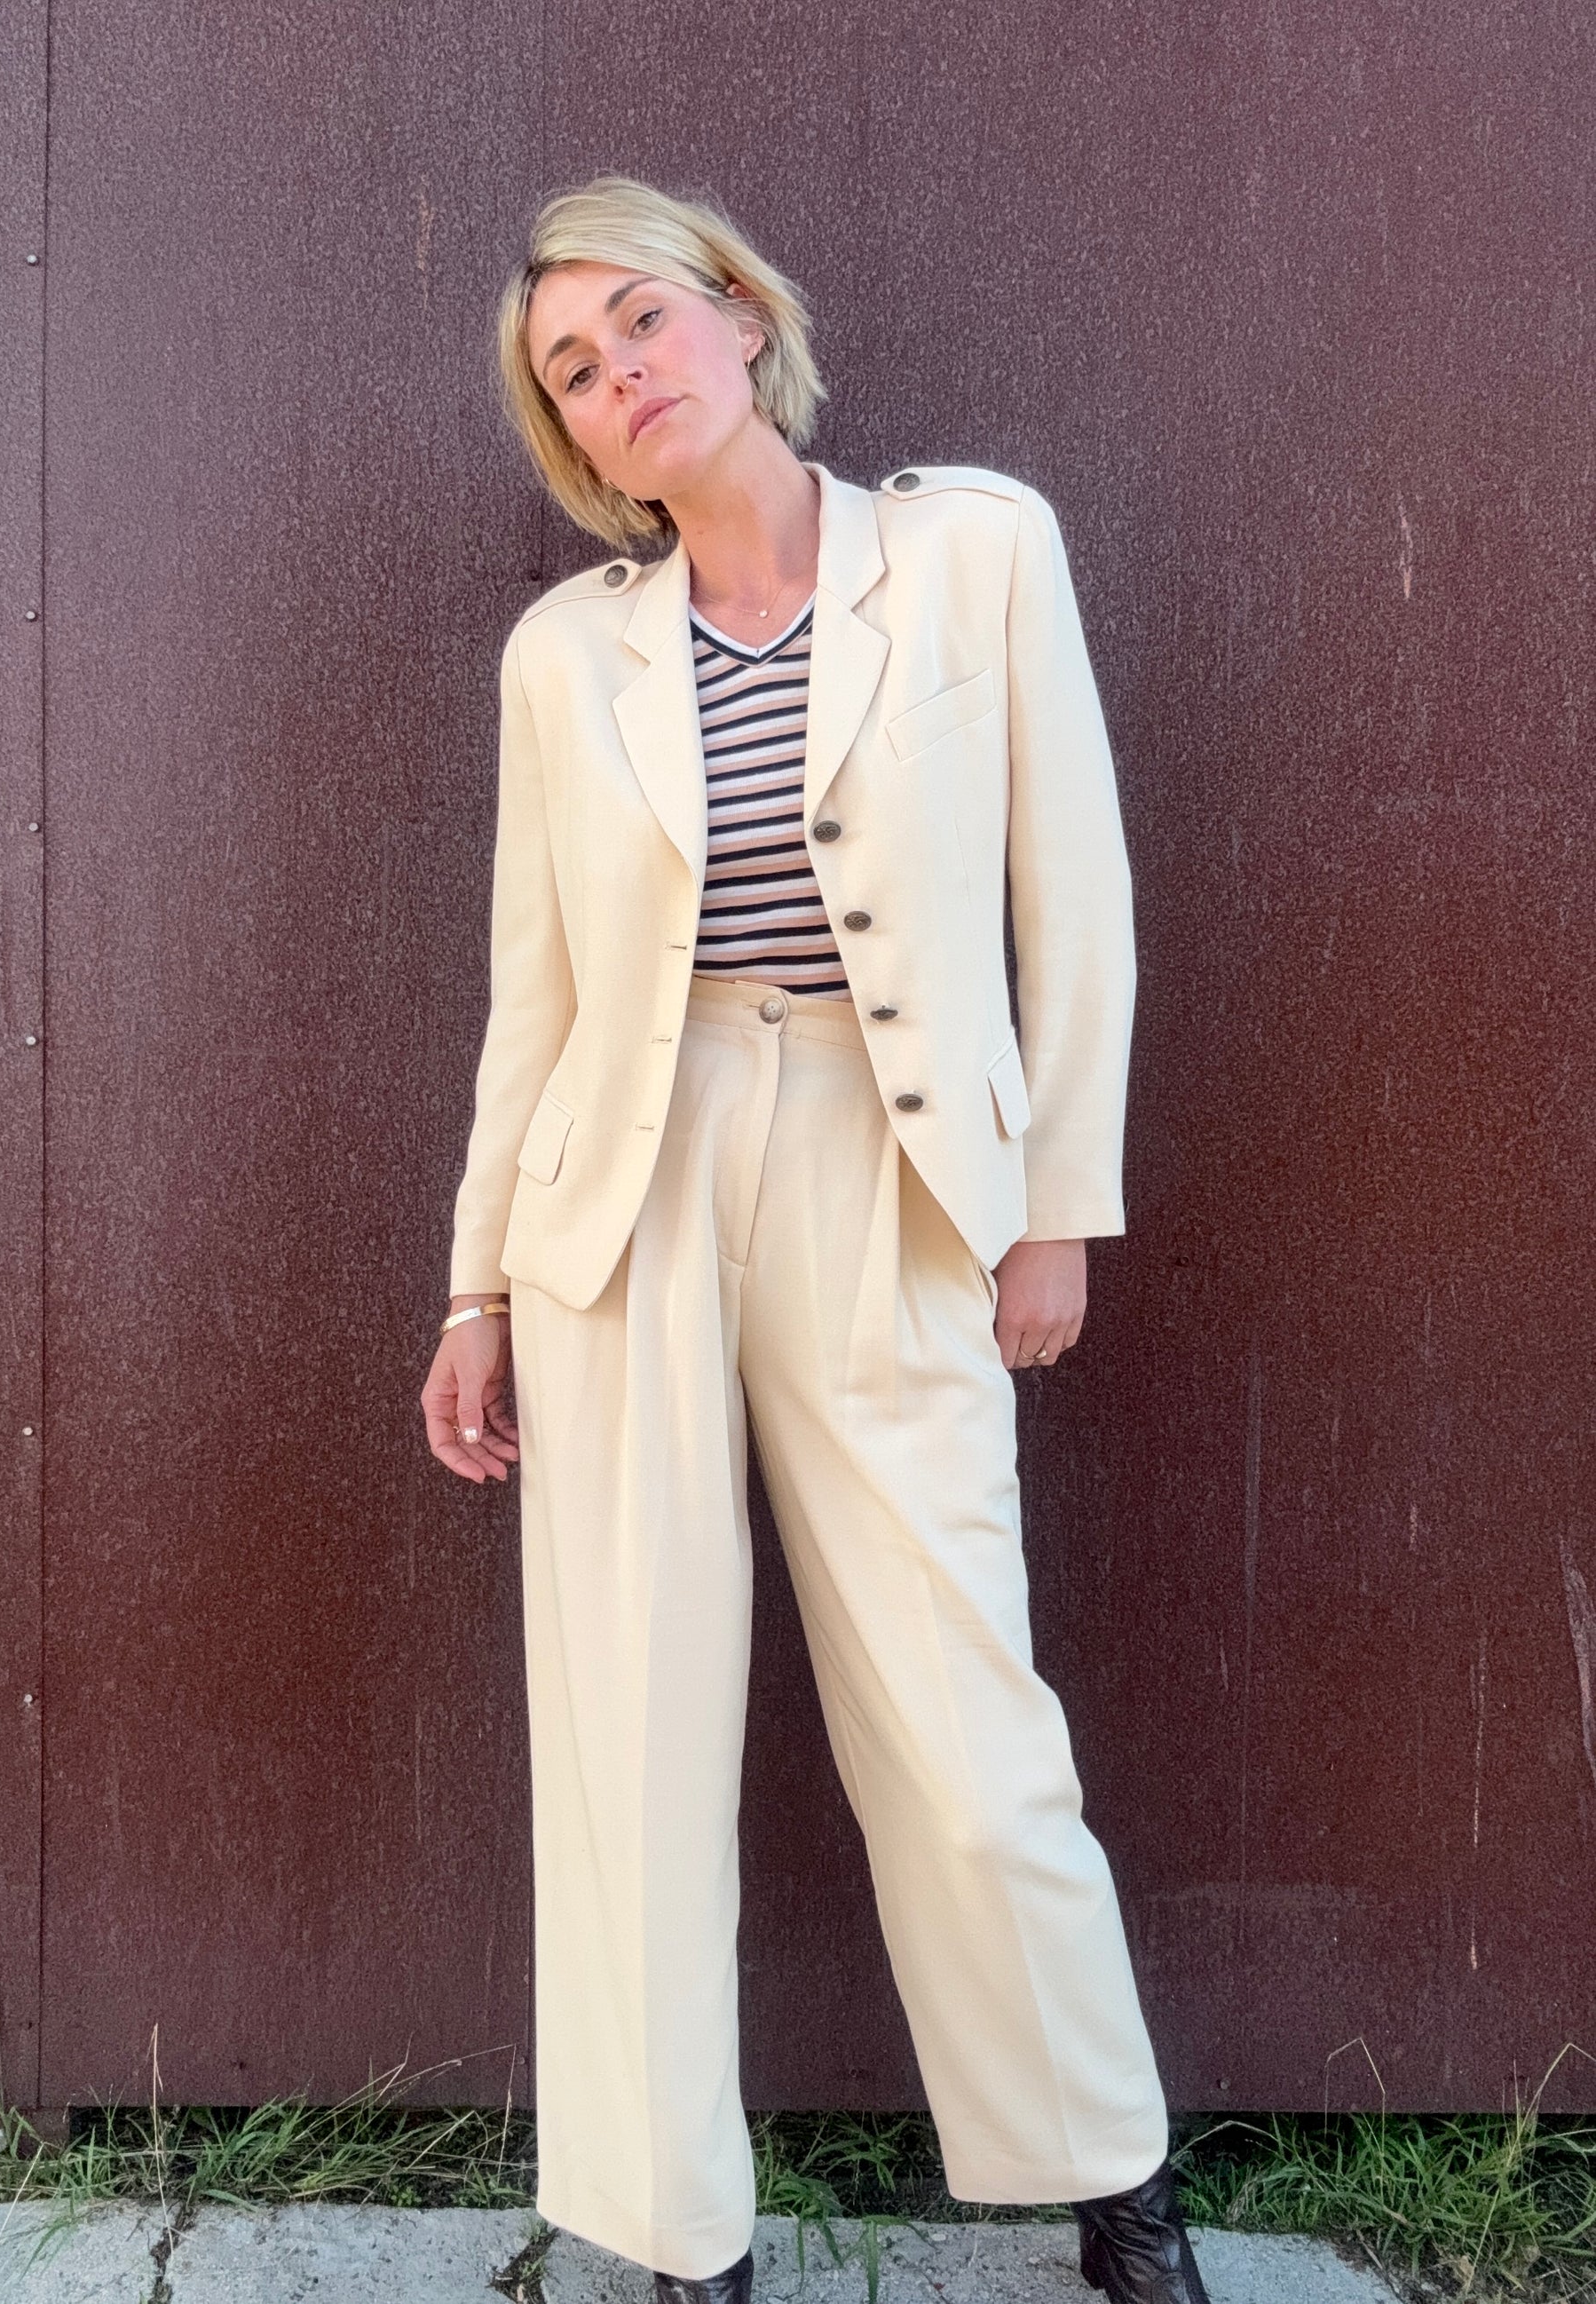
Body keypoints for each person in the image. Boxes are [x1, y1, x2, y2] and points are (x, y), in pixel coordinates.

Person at [420, 174, 1210, 2304]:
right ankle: (683, 2239)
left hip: (892, 1164)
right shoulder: (563, 659)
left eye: (641, 322)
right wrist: (477, 1280)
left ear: (741, 319)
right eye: (572, 370)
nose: (619, 374)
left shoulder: (972, 552)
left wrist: (1056, 1210)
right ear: (575, 439)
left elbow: (1076, 899)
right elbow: (533, 998)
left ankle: (1112, 2181)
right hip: (626, 1188)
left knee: (965, 1726)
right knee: (632, 1730)